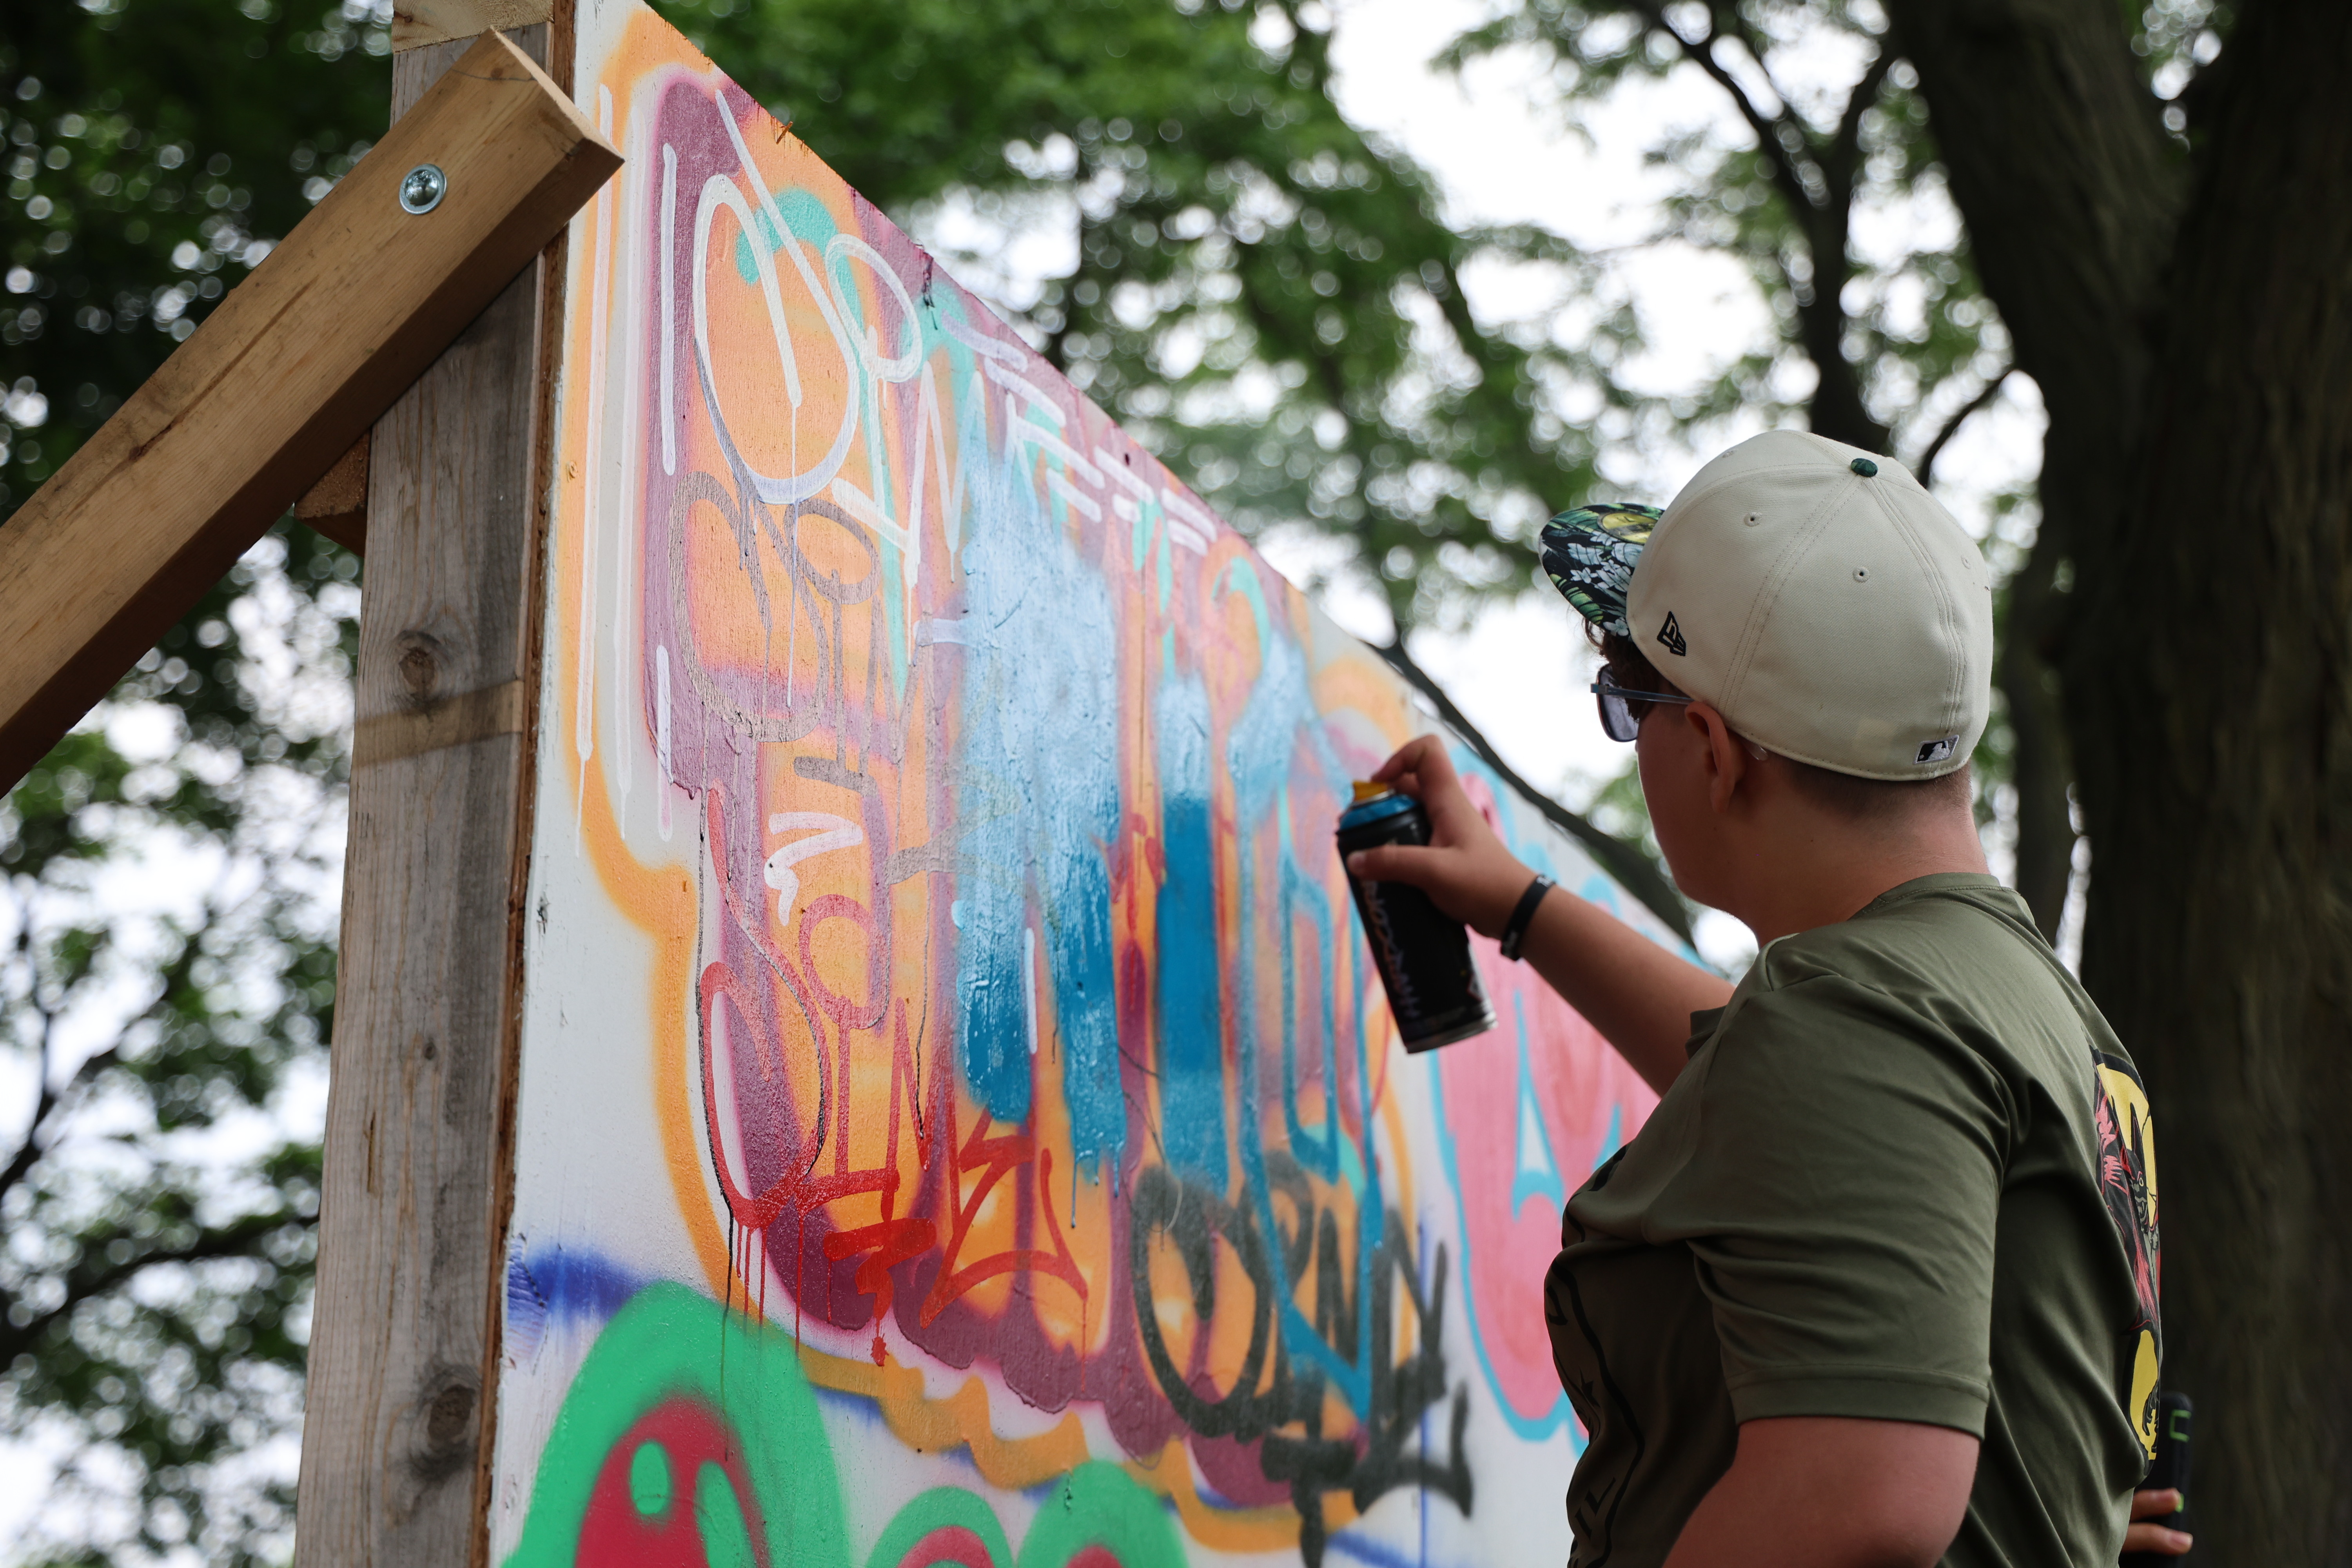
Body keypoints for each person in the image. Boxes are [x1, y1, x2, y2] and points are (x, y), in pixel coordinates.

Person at [1347, 431, 2186, 1568]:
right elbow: (1778, 1100)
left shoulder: (1861, 1016)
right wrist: (1524, 907)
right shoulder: (2017, 1000)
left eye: (1622, 699)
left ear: (1712, 747)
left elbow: (1862, 1503)